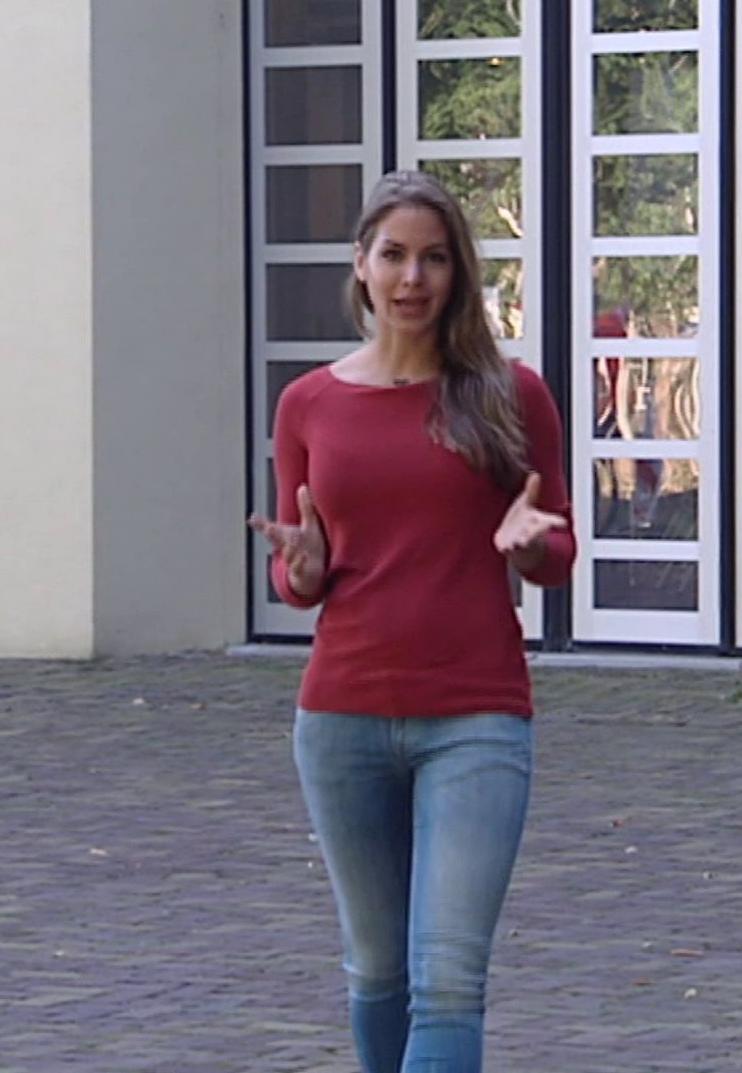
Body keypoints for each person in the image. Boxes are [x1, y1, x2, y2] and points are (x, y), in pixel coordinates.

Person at [246, 169, 576, 1073]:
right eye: (393, 255)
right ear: (361, 263)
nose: (412, 278)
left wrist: (529, 546)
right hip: (342, 720)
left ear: (458, 272)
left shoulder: (511, 394)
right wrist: (298, 571)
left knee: (448, 982)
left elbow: (557, 552)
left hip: (476, 718)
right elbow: (301, 568)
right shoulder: (307, 404)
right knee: (378, 971)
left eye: (434, 258)